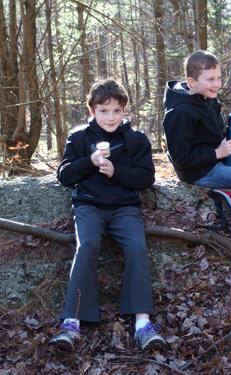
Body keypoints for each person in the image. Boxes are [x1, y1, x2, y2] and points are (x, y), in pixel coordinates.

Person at [50, 79, 166, 352]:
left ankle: (142, 324)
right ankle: (71, 322)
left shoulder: (136, 139)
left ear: (124, 110)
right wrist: (89, 162)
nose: (111, 117)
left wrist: (117, 172)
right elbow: (64, 176)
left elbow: (146, 177)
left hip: (125, 208)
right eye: (104, 111)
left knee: (137, 248)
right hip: (88, 206)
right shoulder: (79, 138)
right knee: (87, 245)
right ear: (92, 111)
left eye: (116, 110)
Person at [162, 50, 231, 189]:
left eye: (219, 78)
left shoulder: (208, 99)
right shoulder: (179, 112)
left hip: (215, 161)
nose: (217, 84)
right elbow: (181, 159)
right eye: (210, 79)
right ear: (192, 81)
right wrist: (218, 153)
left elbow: (218, 137)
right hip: (199, 173)